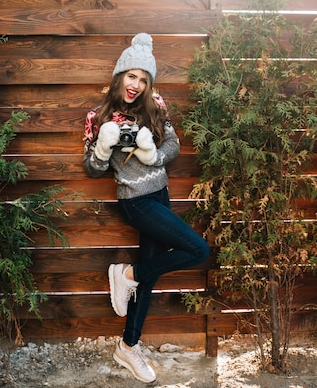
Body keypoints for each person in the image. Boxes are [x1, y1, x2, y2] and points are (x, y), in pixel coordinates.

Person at [82, 33, 210, 383]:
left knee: (149, 276)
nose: (136, 84)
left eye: (143, 78)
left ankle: (128, 345)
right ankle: (126, 275)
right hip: (135, 202)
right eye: (131, 76)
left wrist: (152, 153)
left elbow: (174, 144)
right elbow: (91, 168)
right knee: (199, 249)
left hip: (160, 196)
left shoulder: (155, 104)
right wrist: (104, 148)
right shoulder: (98, 116)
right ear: (119, 76)